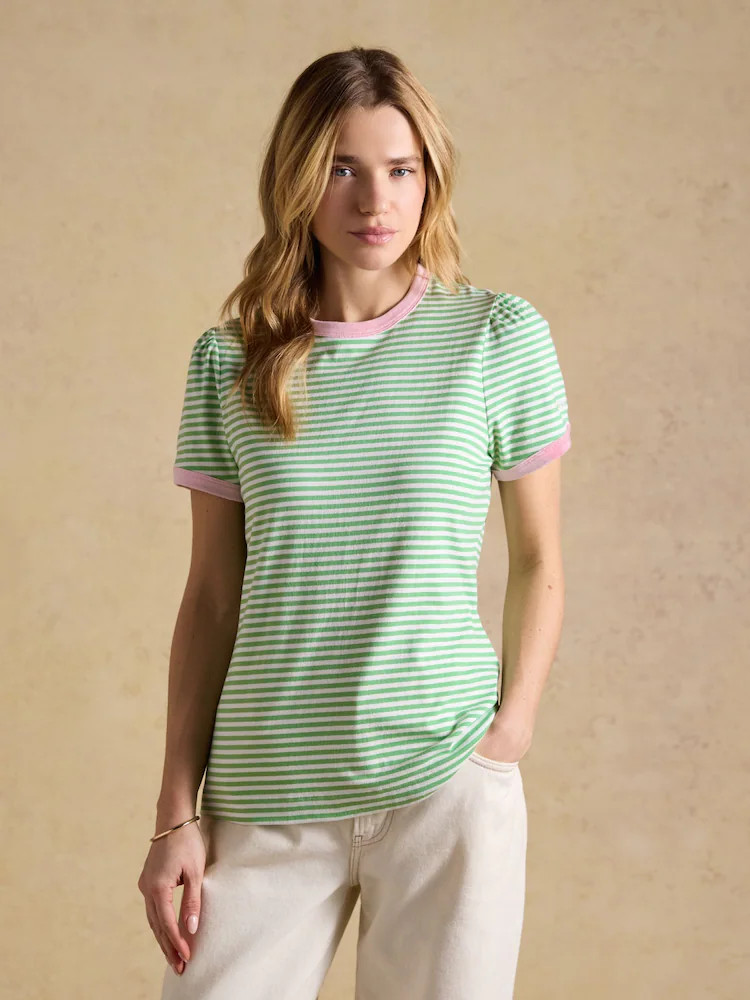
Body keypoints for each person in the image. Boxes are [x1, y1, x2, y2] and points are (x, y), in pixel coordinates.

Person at [137, 44, 572, 1000]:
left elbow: (539, 559)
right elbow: (210, 596)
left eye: (401, 169)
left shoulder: (496, 337)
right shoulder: (228, 362)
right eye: (343, 168)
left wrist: (509, 733)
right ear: (297, 179)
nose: (377, 200)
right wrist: (176, 811)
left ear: (431, 179)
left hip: (444, 776)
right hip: (265, 789)